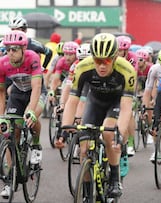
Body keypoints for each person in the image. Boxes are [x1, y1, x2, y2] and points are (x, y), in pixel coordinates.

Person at [57, 33, 136, 197]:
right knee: (84, 150)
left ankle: (114, 178)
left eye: (106, 61)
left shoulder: (127, 70)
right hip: (95, 102)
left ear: (114, 58)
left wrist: (120, 134)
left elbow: (126, 106)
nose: (101, 65)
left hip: (116, 102)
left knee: (108, 134)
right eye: (97, 60)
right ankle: (86, 193)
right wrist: (63, 129)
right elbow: (73, 100)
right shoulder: (83, 67)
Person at [0, 30, 43, 198]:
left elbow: (37, 87)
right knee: (11, 132)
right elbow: (2, 93)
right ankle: (10, 180)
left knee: (31, 118)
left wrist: (31, 111)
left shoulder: (32, 58)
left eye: (15, 49)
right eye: (8, 49)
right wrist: (2, 116)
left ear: (24, 49)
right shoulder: (3, 63)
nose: (11, 53)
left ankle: (37, 145)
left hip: (36, 92)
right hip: (18, 94)